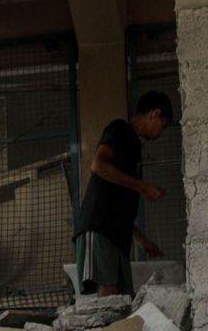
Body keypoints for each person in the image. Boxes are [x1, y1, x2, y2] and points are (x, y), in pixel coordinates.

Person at [74, 91, 173, 296]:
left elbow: (118, 202)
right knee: (107, 293)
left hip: (117, 234)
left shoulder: (134, 146)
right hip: (99, 226)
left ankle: (117, 329)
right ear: (154, 113)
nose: (160, 134)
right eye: (162, 125)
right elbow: (98, 164)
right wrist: (143, 187)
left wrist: (141, 239)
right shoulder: (119, 129)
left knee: (123, 297)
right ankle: (107, 330)